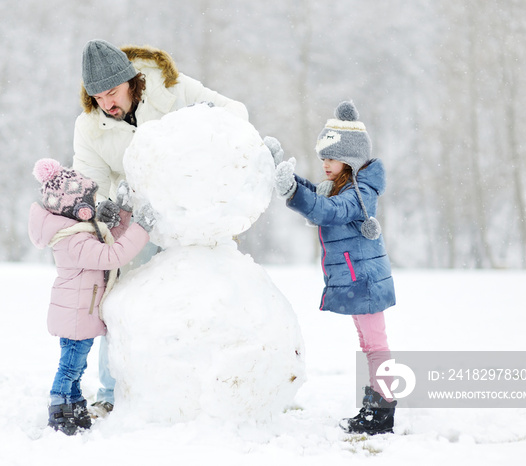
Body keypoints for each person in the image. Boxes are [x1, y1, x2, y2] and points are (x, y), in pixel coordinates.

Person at [72, 38, 249, 417]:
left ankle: (210, 387)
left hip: (189, 215)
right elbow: (90, 182)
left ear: (132, 81)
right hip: (136, 222)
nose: (107, 103)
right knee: (122, 301)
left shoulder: (173, 88)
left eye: (112, 92)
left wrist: (209, 122)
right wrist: (105, 204)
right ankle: (111, 391)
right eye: (97, 96)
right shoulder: (89, 127)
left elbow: (236, 111)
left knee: (204, 297)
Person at [270, 101, 397, 435]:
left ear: (351, 160)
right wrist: (283, 175)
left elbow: (327, 211)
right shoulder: (340, 186)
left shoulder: (360, 193)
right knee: (370, 343)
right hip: (358, 279)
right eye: (322, 157)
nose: (324, 164)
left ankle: (383, 410)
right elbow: (317, 196)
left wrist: (294, 192)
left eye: (331, 157)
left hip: (366, 280)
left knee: (375, 345)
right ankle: (377, 404)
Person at [28, 158, 155, 435]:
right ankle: (60, 408)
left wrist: (123, 214)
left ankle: (73, 404)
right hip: (76, 314)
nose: (96, 204)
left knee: (76, 364)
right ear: (80, 209)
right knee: (70, 367)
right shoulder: (74, 240)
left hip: (79, 312)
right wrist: (141, 229)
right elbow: (113, 254)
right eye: (91, 200)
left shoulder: (78, 232)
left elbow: (109, 240)